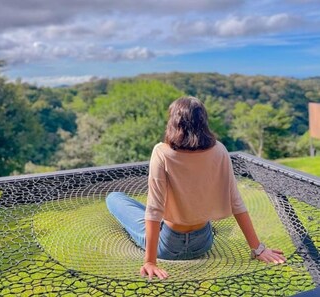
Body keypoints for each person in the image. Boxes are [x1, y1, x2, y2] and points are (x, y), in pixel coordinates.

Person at [106, 96, 286, 280]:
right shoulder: (220, 150)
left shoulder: (162, 152)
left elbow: (154, 209)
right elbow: (236, 202)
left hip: (168, 246)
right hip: (203, 242)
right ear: (203, 122)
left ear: (174, 122)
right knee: (145, 211)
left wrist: (150, 261)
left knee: (114, 198)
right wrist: (257, 248)